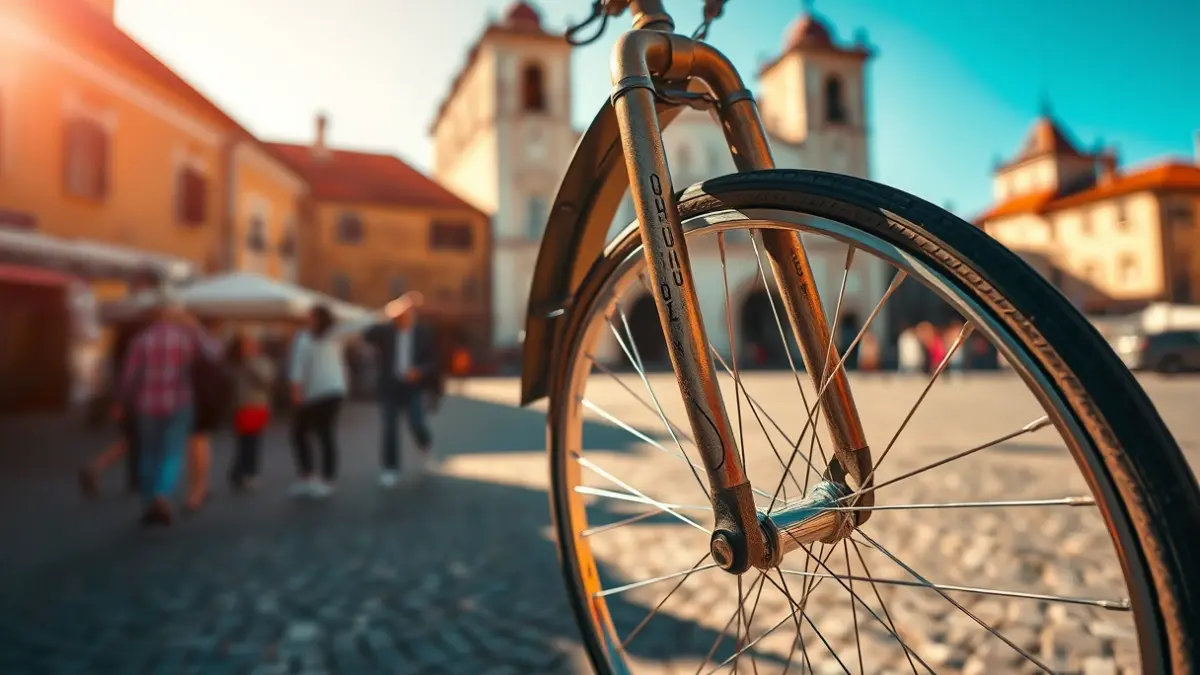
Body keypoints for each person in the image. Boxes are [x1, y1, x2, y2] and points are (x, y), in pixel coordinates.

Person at [116, 289, 220, 525]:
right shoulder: (186, 336)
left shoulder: (141, 340)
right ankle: (162, 495)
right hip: (179, 401)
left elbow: (129, 375)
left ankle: (148, 501)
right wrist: (194, 326)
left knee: (148, 452)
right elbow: (215, 352)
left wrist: (121, 402)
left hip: (146, 403)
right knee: (171, 452)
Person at [362, 292, 439, 487]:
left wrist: (420, 371)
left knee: (416, 423)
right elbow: (366, 334)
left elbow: (432, 361)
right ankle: (390, 469)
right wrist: (385, 314)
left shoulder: (423, 333)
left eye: (408, 313)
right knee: (389, 428)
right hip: (390, 387)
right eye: (401, 314)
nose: (405, 317)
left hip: (413, 387)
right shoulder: (386, 332)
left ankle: (426, 447)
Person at [288, 304, 351, 498]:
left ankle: (322, 479)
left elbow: (361, 324)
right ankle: (310, 476)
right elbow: (298, 365)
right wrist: (296, 389)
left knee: (322, 432)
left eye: (311, 316)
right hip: (315, 394)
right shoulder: (304, 337)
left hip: (330, 391)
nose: (308, 319)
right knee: (302, 433)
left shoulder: (334, 335)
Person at [185, 318, 228, 512]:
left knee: (196, 442)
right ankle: (201, 486)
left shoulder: (200, 342)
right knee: (199, 442)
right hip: (204, 397)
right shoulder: (209, 342)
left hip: (199, 397)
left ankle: (198, 489)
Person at [227, 331, 275, 491]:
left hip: (257, 406)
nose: (252, 347)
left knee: (252, 441)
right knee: (246, 442)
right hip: (244, 406)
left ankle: (244, 472)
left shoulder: (257, 361)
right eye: (247, 344)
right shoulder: (239, 363)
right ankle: (244, 472)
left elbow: (268, 379)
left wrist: (253, 361)